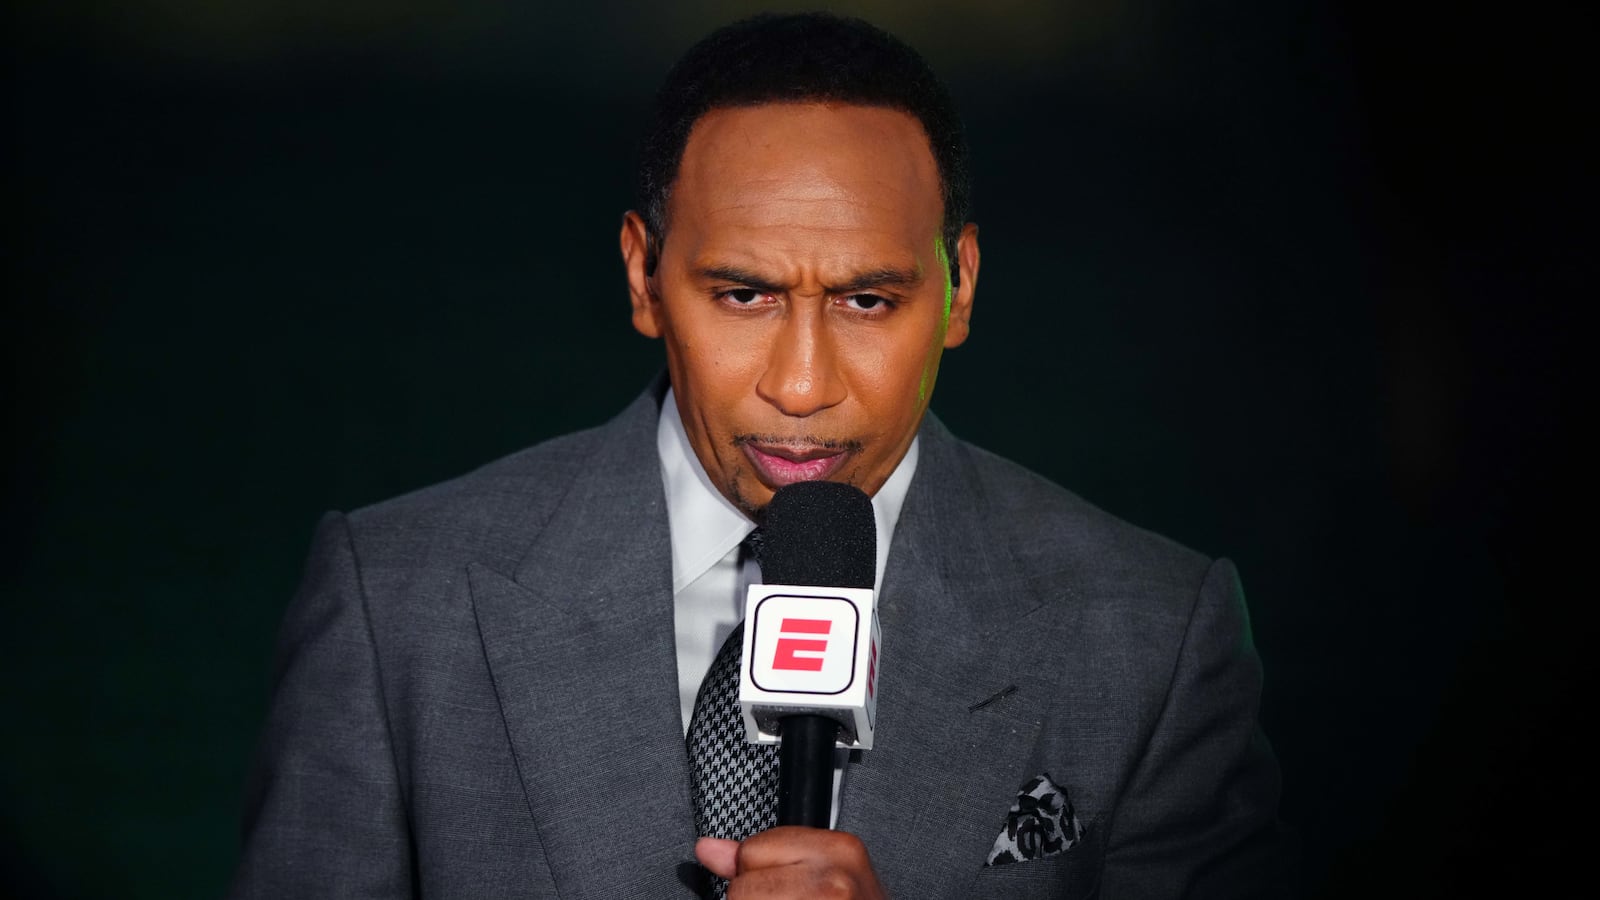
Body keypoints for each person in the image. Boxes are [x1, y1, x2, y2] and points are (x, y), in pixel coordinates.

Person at [229, 12, 1290, 899]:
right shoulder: (398, 603)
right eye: (744, 295)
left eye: (867, 301)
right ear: (643, 278)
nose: (801, 383)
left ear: (959, 287)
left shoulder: (1150, 637)